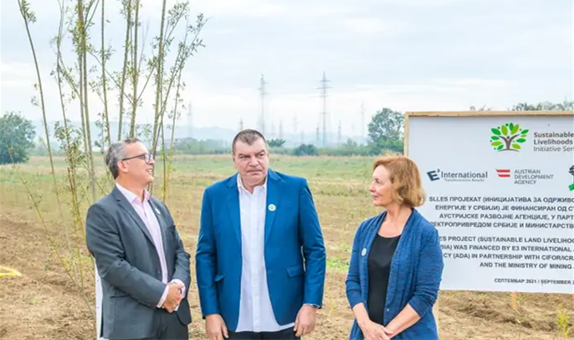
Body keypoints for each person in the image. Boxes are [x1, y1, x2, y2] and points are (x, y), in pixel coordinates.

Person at [195, 129, 326, 340]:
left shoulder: (295, 189)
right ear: (234, 159)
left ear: (268, 155)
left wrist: (310, 304)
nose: (253, 162)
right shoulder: (215, 195)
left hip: (285, 312)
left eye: (260, 154)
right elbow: (205, 256)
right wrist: (211, 312)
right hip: (234, 315)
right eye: (245, 157)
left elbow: (315, 250)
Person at [85, 138, 192, 340]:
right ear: (123, 165)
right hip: (132, 325)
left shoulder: (159, 207)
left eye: (150, 157)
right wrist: (161, 295)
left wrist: (177, 286)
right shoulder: (102, 212)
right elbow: (113, 267)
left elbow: (180, 252)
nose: (151, 162)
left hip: (173, 321)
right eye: (144, 157)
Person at [345, 156, 443, 340]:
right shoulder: (365, 229)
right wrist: (366, 327)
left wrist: (384, 334)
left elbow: (425, 294)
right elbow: (353, 281)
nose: (371, 187)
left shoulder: (425, 234)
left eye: (378, 182)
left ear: (399, 186)